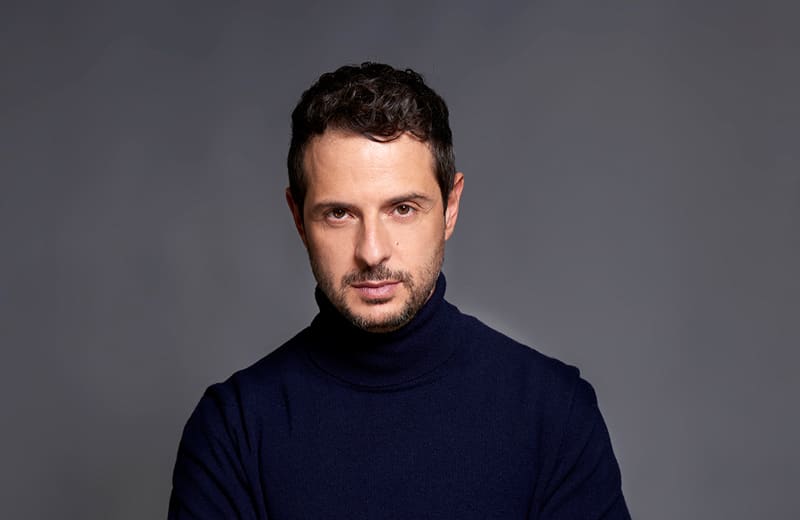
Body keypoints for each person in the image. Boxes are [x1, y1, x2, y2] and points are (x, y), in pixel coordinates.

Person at [168, 62, 631, 519]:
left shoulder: (553, 412)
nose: (372, 252)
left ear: (450, 208)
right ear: (298, 218)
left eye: (403, 209)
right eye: (339, 214)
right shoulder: (234, 429)